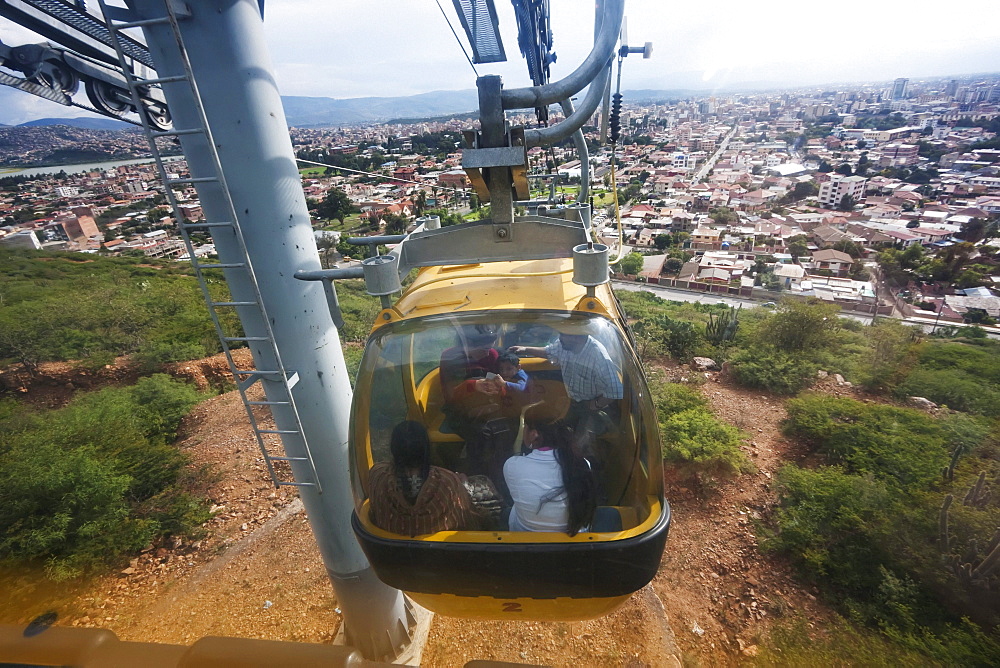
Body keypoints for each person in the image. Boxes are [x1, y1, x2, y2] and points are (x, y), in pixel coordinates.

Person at [508, 331, 623, 451]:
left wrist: (596, 404)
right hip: (572, 401)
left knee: (579, 445)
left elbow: (615, 389)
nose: (560, 337)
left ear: (577, 337)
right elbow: (550, 351)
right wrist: (525, 349)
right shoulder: (565, 344)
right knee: (555, 433)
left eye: (564, 334)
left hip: (592, 407)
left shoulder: (598, 356)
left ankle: (581, 464)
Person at [368, 421, 481, 536]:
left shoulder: (377, 475)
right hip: (439, 552)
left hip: (388, 550)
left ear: (393, 448)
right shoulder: (448, 481)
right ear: (427, 447)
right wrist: (464, 486)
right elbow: (468, 521)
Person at [503, 421, 597, 536]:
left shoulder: (512, 465)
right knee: (611, 513)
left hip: (526, 543)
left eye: (524, 428)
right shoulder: (582, 464)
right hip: (575, 543)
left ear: (534, 434)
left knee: (507, 512)